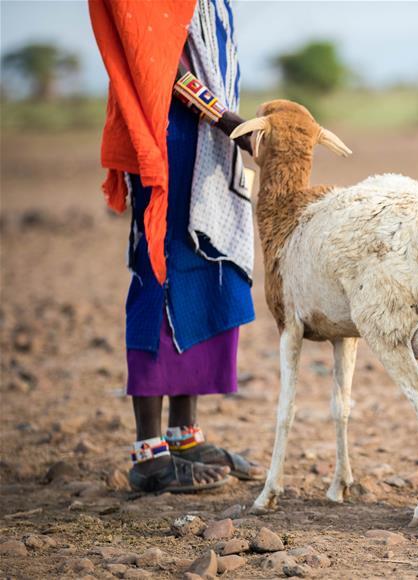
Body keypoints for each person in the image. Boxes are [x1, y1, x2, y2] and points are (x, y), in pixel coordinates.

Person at [90, 0, 263, 492]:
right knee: (162, 274)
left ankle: (183, 435)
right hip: (168, 134)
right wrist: (228, 121)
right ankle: (149, 455)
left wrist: (227, 124)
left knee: (207, 269)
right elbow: (154, 59)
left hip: (204, 135)